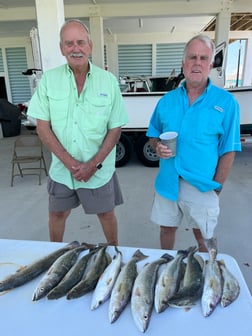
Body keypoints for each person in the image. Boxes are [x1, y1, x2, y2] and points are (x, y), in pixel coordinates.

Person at [27, 19, 128, 245]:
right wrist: (71, 163)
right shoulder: (49, 81)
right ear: (62, 48)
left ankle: (113, 253)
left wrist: (93, 164)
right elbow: (42, 127)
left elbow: (115, 128)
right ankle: (56, 254)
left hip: (99, 170)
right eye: (69, 43)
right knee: (57, 214)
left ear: (90, 46)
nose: (76, 48)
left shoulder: (108, 81)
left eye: (81, 42)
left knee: (106, 214)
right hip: (62, 171)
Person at [147, 34, 241, 252]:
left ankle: (207, 272)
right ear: (183, 64)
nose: (197, 62)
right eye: (192, 57)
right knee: (166, 230)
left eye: (203, 58)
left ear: (210, 64)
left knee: (203, 237)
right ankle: (167, 265)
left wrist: (217, 186)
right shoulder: (166, 100)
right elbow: (153, 133)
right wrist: (156, 146)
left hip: (202, 184)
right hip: (167, 182)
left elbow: (229, 149)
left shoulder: (226, 103)